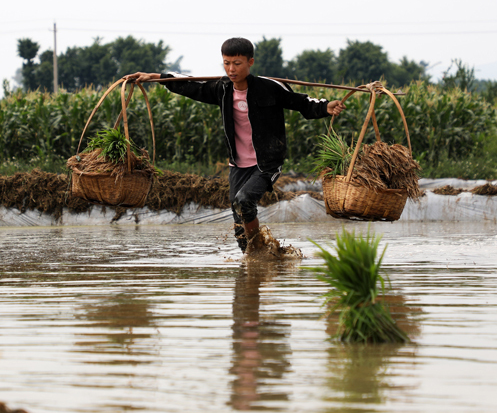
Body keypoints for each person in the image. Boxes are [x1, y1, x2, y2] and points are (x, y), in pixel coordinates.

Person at [127, 37, 345, 252]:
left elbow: (302, 103)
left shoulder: (270, 87)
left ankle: (257, 250)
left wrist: (326, 107)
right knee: (237, 214)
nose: (231, 69)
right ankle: (250, 258)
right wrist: (154, 77)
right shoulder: (221, 89)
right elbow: (189, 84)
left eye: (237, 63)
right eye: (226, 63)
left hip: (266, 162)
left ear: (250, 62)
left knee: (244, 200)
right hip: (238, 164)